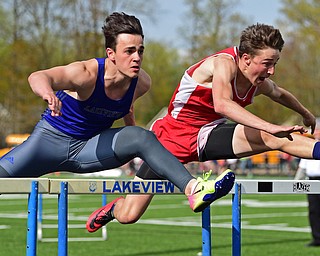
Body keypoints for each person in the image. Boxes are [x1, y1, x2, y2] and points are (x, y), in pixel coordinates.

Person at [87, 23, 320, 233]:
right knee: (129, 215)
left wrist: (306, 114)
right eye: (267, 64)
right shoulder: (223, 64)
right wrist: (269, 125)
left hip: (206, 135)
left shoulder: (256, 81)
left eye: (275, 64)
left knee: (273, 138)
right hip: (167, 142)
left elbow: (279, 93)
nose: (271, 71)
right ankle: (112, 209)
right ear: (247, 58)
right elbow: (222, 104)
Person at [0, 12, 235, 215]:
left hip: (88, 150)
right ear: (111, 53)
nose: (137, 58)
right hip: (47, 145)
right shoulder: (85, 74)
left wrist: (140, 142)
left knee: (140, 135)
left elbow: (127, 110)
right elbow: (38, 77)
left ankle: (194, 189)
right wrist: (48, 94)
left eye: (140, 51)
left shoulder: (141, 83)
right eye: (129, 51)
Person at [295, 126, 320, 247]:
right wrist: (295, 183)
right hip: (311, 181)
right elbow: (302, 167)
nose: (317, 133)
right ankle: (317, 238)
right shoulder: (307, 146)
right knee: (314, 210)